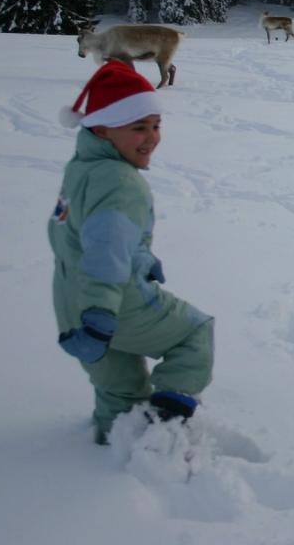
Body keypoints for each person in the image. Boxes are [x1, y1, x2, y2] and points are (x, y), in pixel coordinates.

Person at [50, 58, 214, 445]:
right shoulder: (120, 183)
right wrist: (101, 314)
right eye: (138, 127)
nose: (152, 137)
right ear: (103, 129)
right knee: (195, 334)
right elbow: (106, 253)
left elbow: (75, 237)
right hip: (111, 307)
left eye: (156, 126)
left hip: (71, 307)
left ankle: (114, 458)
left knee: (119, 391)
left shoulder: (81, 170)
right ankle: (165, 422)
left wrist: (138, 259)